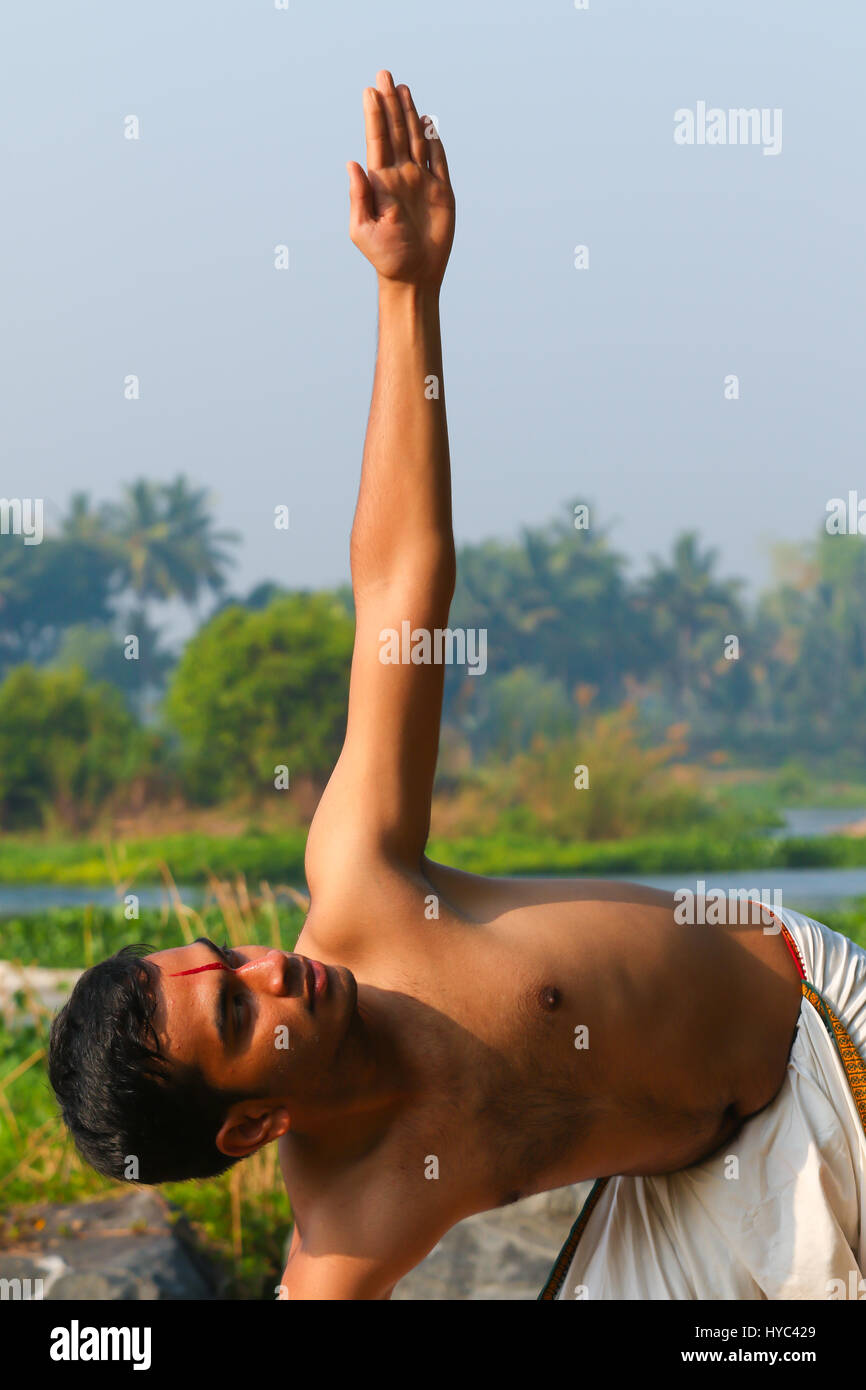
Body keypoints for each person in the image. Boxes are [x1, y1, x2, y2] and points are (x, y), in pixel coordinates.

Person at [49, 71, 866, 1302]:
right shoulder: (351, 1226)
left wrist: (404, 290)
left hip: (809, 1026)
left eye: (227, 954)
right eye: (239, 1015)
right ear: (249, 1129)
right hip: (692, 1197)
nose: (273, 965)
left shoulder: (364, 885)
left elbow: (397, 597)